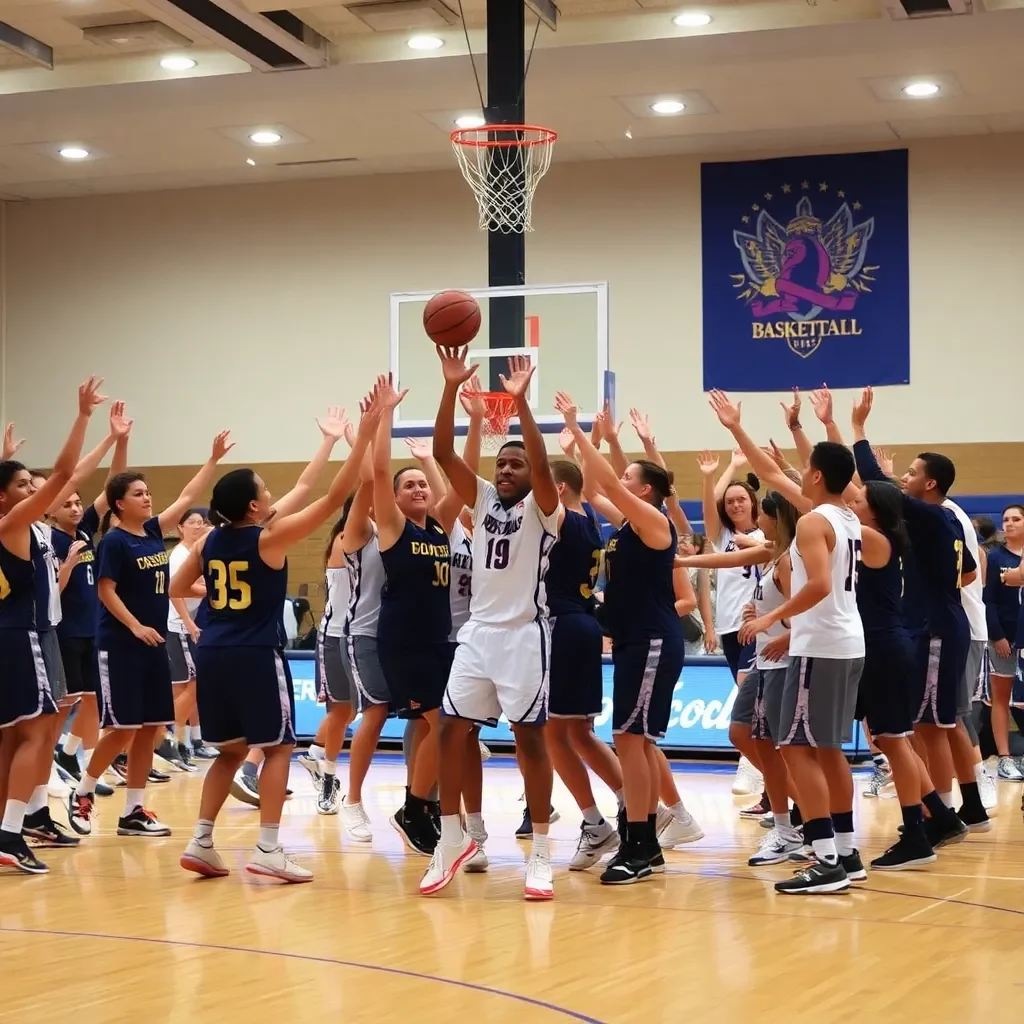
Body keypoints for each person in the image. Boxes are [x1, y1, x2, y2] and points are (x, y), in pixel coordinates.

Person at [176, 387, 381, 882]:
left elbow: (178, 586)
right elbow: (332, 496)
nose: (272, 494)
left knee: (228, 751)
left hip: (215, 649)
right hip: (253, 653)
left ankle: (202, 840)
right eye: (266, 490)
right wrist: (365, 436)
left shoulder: (209, 540)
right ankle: (268, 847)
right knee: (279, 747)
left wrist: (329, 442)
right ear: (252, 505)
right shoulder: (269, 540)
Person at [710, 390, 865, 895]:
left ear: (816, 475)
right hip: (846, 642)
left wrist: (771, 618)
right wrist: (737, 429)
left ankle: (825, 859)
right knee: (828, 750)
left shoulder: (817, 521)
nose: (796, 473)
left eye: (807, 468)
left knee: (795, 748)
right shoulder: (841, 516)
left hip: (819, 645)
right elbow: (773, 474)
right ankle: (846, 851)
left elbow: (818, 585)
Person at [423, 349, 560, 900]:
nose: (504, 470)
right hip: (478, 635)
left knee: (531, 740)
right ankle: (452, 838)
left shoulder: (546, 509)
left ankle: (542, 851)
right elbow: (440, 451)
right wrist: (451, 388)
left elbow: (546, 470)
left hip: (525, 635)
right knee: (451, 731)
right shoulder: (480, 499)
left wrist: (523, 404)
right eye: (501, 464)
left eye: (515, 464)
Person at [557, 391, 698, 883]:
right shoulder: (627, 527)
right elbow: (595, 488)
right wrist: (594, 440)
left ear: (647, 490)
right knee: (631, 741)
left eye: (631, 479)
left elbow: (608, 486)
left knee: (631, 739)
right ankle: (644, 842)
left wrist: (578, 430)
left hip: (655, 640)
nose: (622, 483)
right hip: (636, 642)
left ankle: (640, 842)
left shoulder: (655, 523)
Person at [67, 431, 234, 837]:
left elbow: (186, 495)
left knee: (150, 728)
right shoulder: (115, 542)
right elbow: (105, 590)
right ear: (119, 503)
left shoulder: (156, 534)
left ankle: (134, 810)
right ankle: (83, 791)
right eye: (138, 493)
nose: (147, 497)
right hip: (121, 644)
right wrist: (135, 625)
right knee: (122, 727)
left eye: (147, 492)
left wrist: (212, 460)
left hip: (153, 645)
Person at [851, 389, 989, 836]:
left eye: (910, 473)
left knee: (930, 726)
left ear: (929, 484)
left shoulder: (928, 517)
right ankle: (971, 808)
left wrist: (857, 431)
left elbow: (876, 485)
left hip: (933, 629)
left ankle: (939, 814)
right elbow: (967, 572)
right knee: (943, 723)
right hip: (944, 622)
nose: (901, 476)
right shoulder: (948, 518)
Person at [0, 377, 106, 872]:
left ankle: (12, 824)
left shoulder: (25, 526)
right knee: (38, 735)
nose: (34, 491)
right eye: (23, 486)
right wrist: (83, 416)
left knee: (15, 738)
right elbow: (66, 472)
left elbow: (67, 478)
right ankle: (10, 831)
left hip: (20, 633)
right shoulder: (15, 525)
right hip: (23, 634)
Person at [679, 490, 803, 866]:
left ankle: (806, 823)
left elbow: (810, 612)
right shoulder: (772, 553)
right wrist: (674, 561)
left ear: (772, 518)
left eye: (762, 515)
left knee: (768, 740)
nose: (756, 523)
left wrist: (779, 631)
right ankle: (790, 823)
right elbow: (724, 557)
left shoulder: (787, 558)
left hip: (778, 659)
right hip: (760, 653)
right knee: (747, 734)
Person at [369, 377, 453, 856]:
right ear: (397, 499)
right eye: (411, 486)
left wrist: (427, 462)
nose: (419, 489)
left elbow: (449, 495)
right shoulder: (395, 527)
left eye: (422, 485)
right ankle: (414, 807)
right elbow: (380, 473)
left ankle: (423, 806)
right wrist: (384, 416)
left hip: (437, 640)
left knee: (432, 726)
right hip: (404, 639)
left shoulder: (437, 528)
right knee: (439, 723)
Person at [542, 457, 621, 870]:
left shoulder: (560, 520)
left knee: (557, 734)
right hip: (582, 623)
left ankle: (611, 817)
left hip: (563, 627)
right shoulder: (587, 517)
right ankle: (629, 809)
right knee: (576, 733)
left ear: (556, 491)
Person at [50, 412, 131, 797]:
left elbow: (113, 487)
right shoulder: (48, 539)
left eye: (79, 502)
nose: (76, 506)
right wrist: (66, 565)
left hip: (91, 629)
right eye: (67, 502)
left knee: (93, 700)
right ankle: (56, 757)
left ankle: (71, 755)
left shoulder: (84, 530)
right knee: (67, 702)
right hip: (64, 630)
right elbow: (53, 588)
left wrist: (120, 440)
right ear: (50, 509)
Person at [697, 448, 765, 799]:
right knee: (747, 696)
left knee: (748, 696)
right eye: (731, 502)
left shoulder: (769, 535)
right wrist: (717, 473)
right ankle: (762, 764)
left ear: (754, 504)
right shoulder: (722, 537)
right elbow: (711, 504)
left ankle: (752, 765)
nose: (736, 505)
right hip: (728, 628)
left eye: (742, 500)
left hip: (758, 626)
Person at [161, 508, 209, 771]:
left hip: (187, 624)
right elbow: (175, 592)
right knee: (189, 688)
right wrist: (189, 622)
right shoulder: (179, 556)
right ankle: (172, 741)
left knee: (187, 688)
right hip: (178, 626)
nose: (197, 527)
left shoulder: (195, 553)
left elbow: (200, 587)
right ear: (180, 528)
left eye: (200, 523)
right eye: (191, 523)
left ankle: (189, 741)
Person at [982, 504, 1024, 778]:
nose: (1009, 524)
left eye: (1016, 519)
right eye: (1005, 519)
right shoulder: (995, 557)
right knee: (1001, 698)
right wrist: (997, 635)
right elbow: (989, 601)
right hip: (1006, 638)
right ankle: (1005, 758)